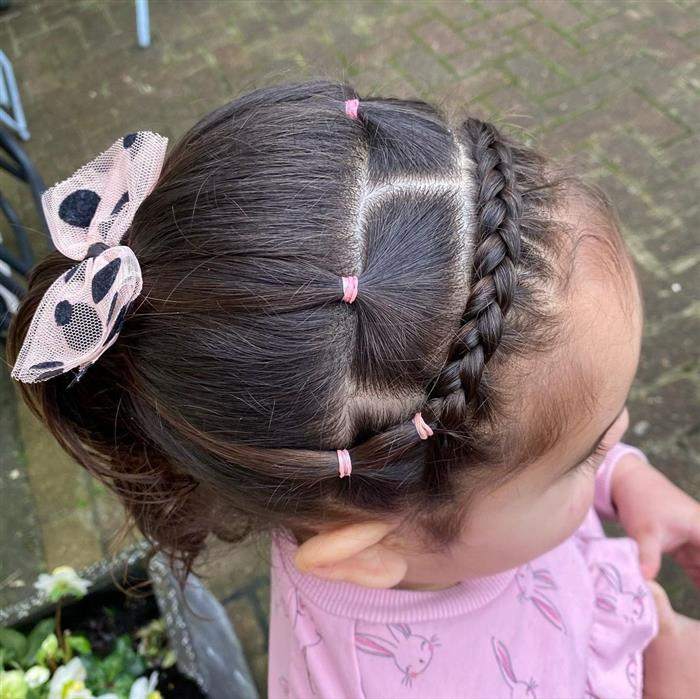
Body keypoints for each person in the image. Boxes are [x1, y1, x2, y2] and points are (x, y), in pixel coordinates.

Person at [7, 81, 699, 698]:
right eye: (587, 453)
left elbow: (534, 442)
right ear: (369, 552)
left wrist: (622, 475)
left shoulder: (410, 484)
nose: (621, 431)